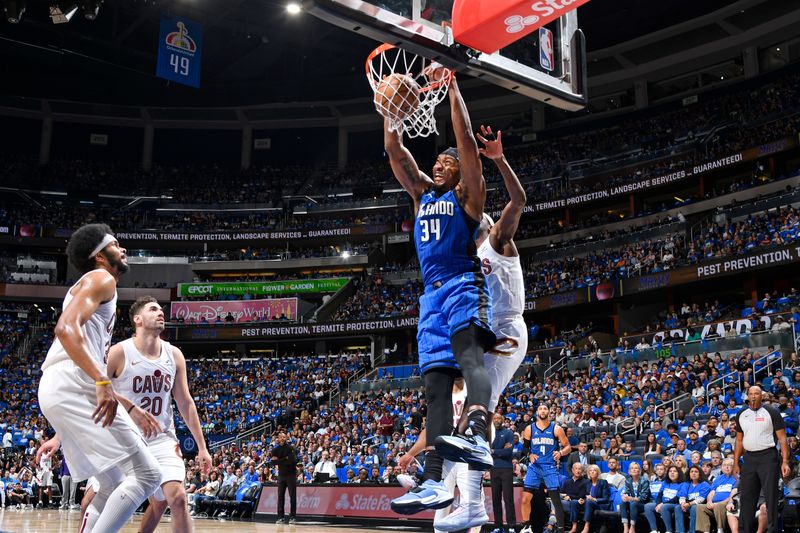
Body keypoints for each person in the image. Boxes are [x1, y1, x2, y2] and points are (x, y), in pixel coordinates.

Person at [386, 69, 496, 515]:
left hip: (462, 283)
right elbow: (394, 150)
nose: (439, 165)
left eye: (447, 163)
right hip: (430, 297)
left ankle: (477, 434)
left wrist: (450, 85)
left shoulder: (469, 198)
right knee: (434, 390)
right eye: (437, 163)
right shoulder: (421, 196)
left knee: (469, 358)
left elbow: (466, 139)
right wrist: (389, 109)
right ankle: (433, 482)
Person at [36, 224, 162, 532]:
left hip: (59, 387)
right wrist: (103, 382)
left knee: (111, 482)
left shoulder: (92, 286)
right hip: (71, 383)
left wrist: (127, 405)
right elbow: (65, 329)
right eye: (116, 244)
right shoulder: (101, 278)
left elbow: (85, 365)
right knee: (148, 476)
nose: (123, 249)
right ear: (99, 256)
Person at [434, 125, 528, 532]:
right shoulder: (468, 256)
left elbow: (520, 200)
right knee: (468, 423)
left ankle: (473, 508)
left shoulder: (498, 240)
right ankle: (470, 505)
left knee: (475, 416)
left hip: (508, 331)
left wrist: (498, 160)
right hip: (491, 334)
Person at [104, 296, 212, 533]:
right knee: (96, 502)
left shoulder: (174, 355)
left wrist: (202, 447)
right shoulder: (118, 352)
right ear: (138, 319)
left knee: (178, 498)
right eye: (153, 309)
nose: (160, 312)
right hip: (124, 439)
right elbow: (95, 390)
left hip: (162, 439)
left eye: (161, 309)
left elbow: (185, 401)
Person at [396, 378, 483, 533]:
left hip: (468, 453)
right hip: (443, 456)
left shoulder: (476, 392)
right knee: (442, 503)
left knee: (473, 502)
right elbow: (429, 430)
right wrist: (410, 454)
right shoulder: (441, 396)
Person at [733, 384, 791, 533]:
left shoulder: (772, 412)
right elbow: (739, 440)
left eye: (756, 394)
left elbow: (783, 438)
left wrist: (785, 461)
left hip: (768, 457)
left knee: (771, 498)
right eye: (750, 394)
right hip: (749, 459)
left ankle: (772, 530)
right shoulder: (741, 414)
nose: (753, 396)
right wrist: (735, 463)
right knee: (746, 498)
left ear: (762, 396)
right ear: (747, 396)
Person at [521, 403, 570, 533]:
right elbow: (525, 448)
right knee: (525, 499)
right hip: (534, 467)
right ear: (537, 412)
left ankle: (560, 529)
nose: (543, 411)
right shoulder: (529, 429)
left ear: (549, 412)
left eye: (545, 408)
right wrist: (529, 454)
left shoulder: (556, 428)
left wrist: (561, 453)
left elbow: (568, 447)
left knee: (556, 500)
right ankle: (526, 527)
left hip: (549, 467)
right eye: (540, 409)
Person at [489, 413, 516, 533]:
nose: (497, 420)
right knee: (495, 499)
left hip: (506, 469)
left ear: (503, 420)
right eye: (495, 418)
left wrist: (493, 450)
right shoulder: (489, 433)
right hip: (493, 469)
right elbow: (485, 450)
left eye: (499, 418)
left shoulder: (509, 433)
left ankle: (511, 526)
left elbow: (508, 452)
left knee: (508, 498)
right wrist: (500, 450)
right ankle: (497, 526)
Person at [646, 465, 687, 533]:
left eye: (675, 471)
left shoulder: (683, 484)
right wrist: (659, 504)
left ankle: (669, 530)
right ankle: (654, 530)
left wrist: (662, 504)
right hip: (663, 503)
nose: (672, 473)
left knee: (664, 507)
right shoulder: (665, 482)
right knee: (648, 506)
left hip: (675, 504)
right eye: (670, 471)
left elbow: (678, 498)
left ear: (679, 473)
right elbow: (659, 495)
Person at [271, 431, 299, 524]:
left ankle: (293, 517)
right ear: (278, 439)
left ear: (286, 438)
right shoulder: (275, 450)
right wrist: (284, 459)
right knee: (280, 496)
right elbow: (273, 462)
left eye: (284, 437)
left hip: (291, 475)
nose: (282, 439)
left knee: (293, 496)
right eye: (281, 437)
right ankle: (280, 517)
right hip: (281, 475)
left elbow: (293, 461)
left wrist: (279, 460)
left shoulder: (290, 448)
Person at [578, 464, 611, 533]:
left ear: (598, 472)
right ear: (588, 473)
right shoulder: (587, 483)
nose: (592, 472)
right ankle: (574, 526)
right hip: (589, 503)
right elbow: (585, 496)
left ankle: (586, 526)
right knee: (574, 502)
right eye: (590, 470)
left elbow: (606, 499)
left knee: (589, 502)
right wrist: (582, 500)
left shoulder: (603, 482)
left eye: (594, 470)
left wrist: (594, 499)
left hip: (600, 504)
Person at [678, 465, 711, 533]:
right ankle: (680, 531)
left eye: (696, 472)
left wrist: (689, 504)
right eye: (691, 472)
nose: (693, 473)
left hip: (699, 505)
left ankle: (692, 531)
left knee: (694, 508)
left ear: (700, 474)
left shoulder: (704, 484)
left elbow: (701, 499)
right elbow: (682, 496)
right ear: (689, 474)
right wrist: (682, 504)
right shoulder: (686, 484)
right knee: (677, 508)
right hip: (687, 504)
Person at [620, 462, 650, 533]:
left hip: (643, 504)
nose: (634, 470)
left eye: (636, 468)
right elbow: (626, 492)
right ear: (629, 471)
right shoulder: (628, 481)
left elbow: (643, 497)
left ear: (639, 471)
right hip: (632, 503)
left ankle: (632, 527)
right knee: (623, 503)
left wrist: (631, 498)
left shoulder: (645, 481)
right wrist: (624, 496)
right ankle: (625, 527)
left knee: (633, 504)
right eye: (632, 468)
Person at [561, 463, 589, 533]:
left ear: (582, 471)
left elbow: (582, 496)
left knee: (567, 503)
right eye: (576, 469)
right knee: (554, 499)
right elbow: (562, 492)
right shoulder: (567, 482)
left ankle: (574, 526)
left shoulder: (585, 482)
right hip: (566, 501)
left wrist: (569, 497)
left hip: (578, 502)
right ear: (572, 470)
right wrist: (564, 496)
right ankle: (554, 522)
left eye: (580, 469)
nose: (578, 471)